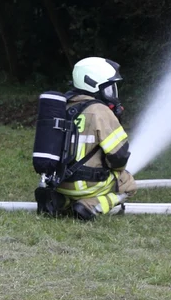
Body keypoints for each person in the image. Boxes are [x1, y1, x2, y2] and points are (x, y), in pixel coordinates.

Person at [53, 57, 137, 220]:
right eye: (109, 88)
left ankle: (61, 201)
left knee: (70, 190)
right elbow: (119, 156)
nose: (112, 93)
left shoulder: (63, 107)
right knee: (129, 185)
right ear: (94, 84)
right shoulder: (100, 111)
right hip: (88, 184)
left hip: (60, 182)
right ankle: (89, 206)